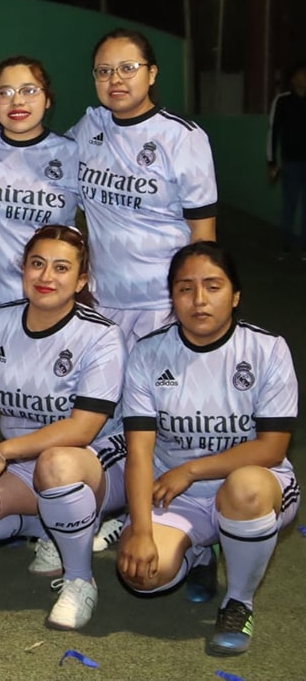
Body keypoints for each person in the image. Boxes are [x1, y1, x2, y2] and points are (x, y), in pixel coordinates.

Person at [118, 241, 300, 656]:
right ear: (173, 297)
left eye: (213, 286)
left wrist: (191, 470)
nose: (199, 300)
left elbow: (271, 448)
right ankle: (199, 552)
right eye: (185, 288)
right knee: (143, 575)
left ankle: (238, 601)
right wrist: (142, 531)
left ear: (235, 295)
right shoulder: (148, 354)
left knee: (245, 488)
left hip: (255, 486)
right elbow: (141, 452)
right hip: (176, 497)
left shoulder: (267, 350)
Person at [0, 225, 127, 631]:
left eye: (61, 268)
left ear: (81, 280)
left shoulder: (101, 336)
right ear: (23, 269)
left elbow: (82, 429)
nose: (47, 277)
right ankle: (57, 529)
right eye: (37, 264)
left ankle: (81, 579)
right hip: (31, 461)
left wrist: (2, 453)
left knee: (58, 464)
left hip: (97, 461)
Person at [68, 28, 217, 347]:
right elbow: (37, 154)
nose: (115, 80)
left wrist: (191, 302)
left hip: (162, 305)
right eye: (104, 71)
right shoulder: (88, 129)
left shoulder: (182, 138)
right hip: (102, 300)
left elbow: (203, 235)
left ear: (151, 74)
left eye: (128, 68)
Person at [0, 56, 81, 335]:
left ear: (48, 100)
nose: (17, 101)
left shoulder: (72, 154)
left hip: (51, 304)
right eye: (5, 92)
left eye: (29, 90)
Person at [267, 62, 306, 259]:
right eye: (301, 74)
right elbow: (273, 131)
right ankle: (286, 245)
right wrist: (272, 162)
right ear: (293, 79)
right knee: (290, 205)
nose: (304, 78)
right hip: (291, 163)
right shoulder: (282, 101)